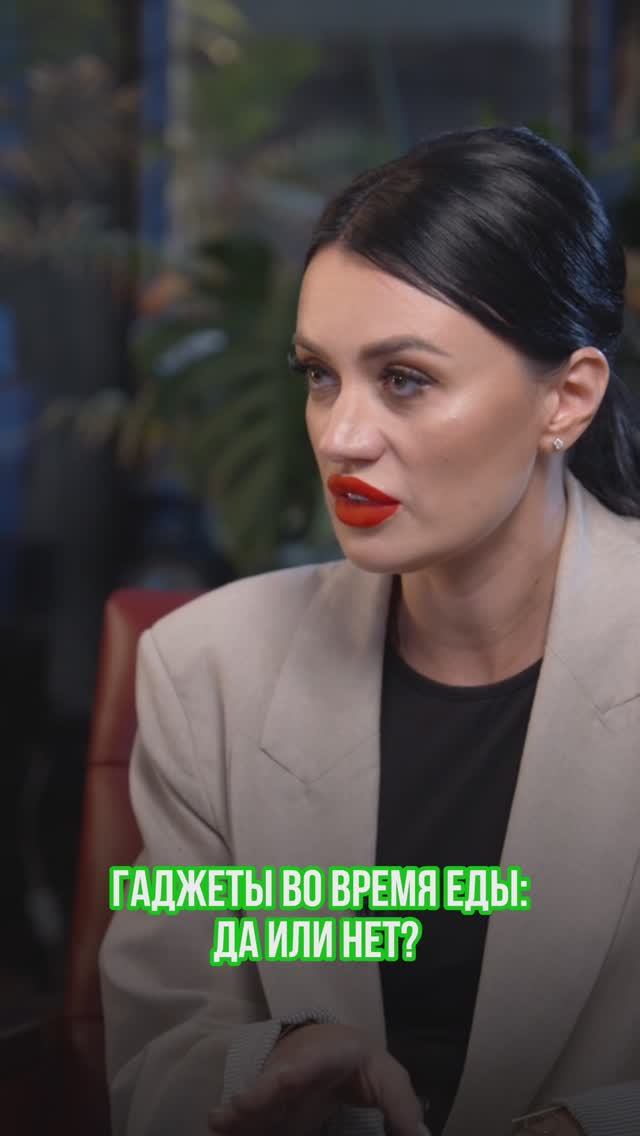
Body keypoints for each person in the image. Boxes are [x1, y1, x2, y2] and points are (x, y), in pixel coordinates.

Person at [99, 127, 640, 1136]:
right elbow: (155, 1052)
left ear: (565, 399)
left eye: (404, 378)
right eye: (319, 374)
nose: (341, 435)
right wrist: (272, 1059)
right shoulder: (210, 669)